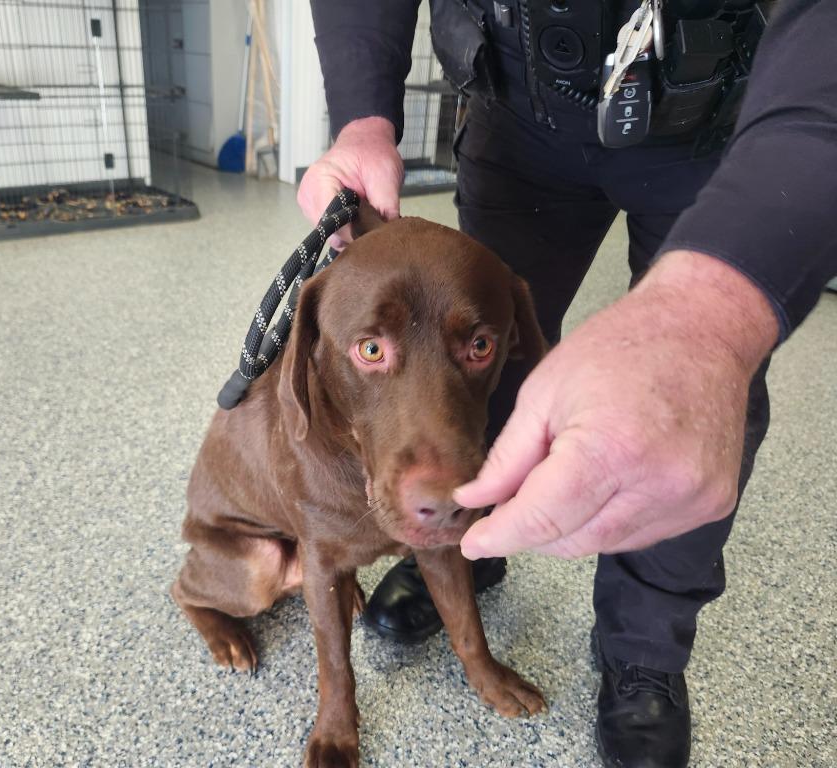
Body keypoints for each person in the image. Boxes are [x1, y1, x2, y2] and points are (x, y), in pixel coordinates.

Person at [297, 1, 837, 766]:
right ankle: (462, 554)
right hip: (518, 105)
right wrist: (362, 117)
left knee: (694, 404)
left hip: (724, 119)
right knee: (484, 367)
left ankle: (646, 649)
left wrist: (719, 317)